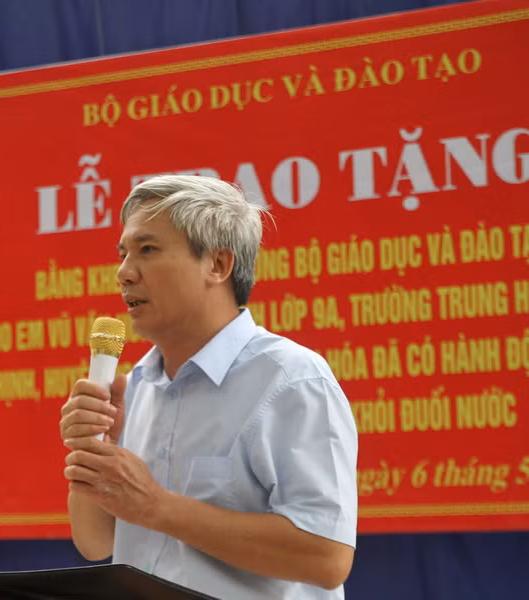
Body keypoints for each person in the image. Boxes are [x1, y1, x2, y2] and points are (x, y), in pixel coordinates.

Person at [59, 175, 358, 599]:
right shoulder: (137, 383)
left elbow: (326, 559)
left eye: (147, 250)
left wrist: (157, 507)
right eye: (123, 254)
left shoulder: (291, 378)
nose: (123, 273)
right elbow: (95, 543)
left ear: (217, 265)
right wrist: (92, 451)